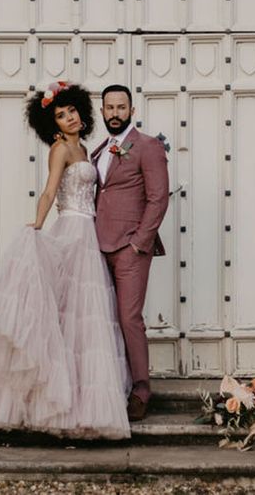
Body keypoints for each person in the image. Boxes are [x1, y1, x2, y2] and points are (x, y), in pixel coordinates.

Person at [0, 81, 131, 439]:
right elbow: (50, 190)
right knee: (63, 316)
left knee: (83, 320)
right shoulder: (60, 150)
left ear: (81, 111)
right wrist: (38, 224)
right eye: (60, 116)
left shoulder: (86, 149)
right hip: (71, 231)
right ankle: (48, 402)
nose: (69, 118)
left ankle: (79, 404)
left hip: (89, 234)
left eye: (72, 111)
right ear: (53, 125)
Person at [90, 84, 169, 422]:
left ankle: (141, 389)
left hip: (130, 248)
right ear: (102, 111)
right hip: (96, 245)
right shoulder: (99, 150)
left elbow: (158, 198)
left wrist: (140, 242)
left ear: (132, 111)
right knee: (103, 319)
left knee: (129, 318)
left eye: (121, 107)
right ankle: (113, 384)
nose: (115, 114)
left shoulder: (148, 147)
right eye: (109, 108)